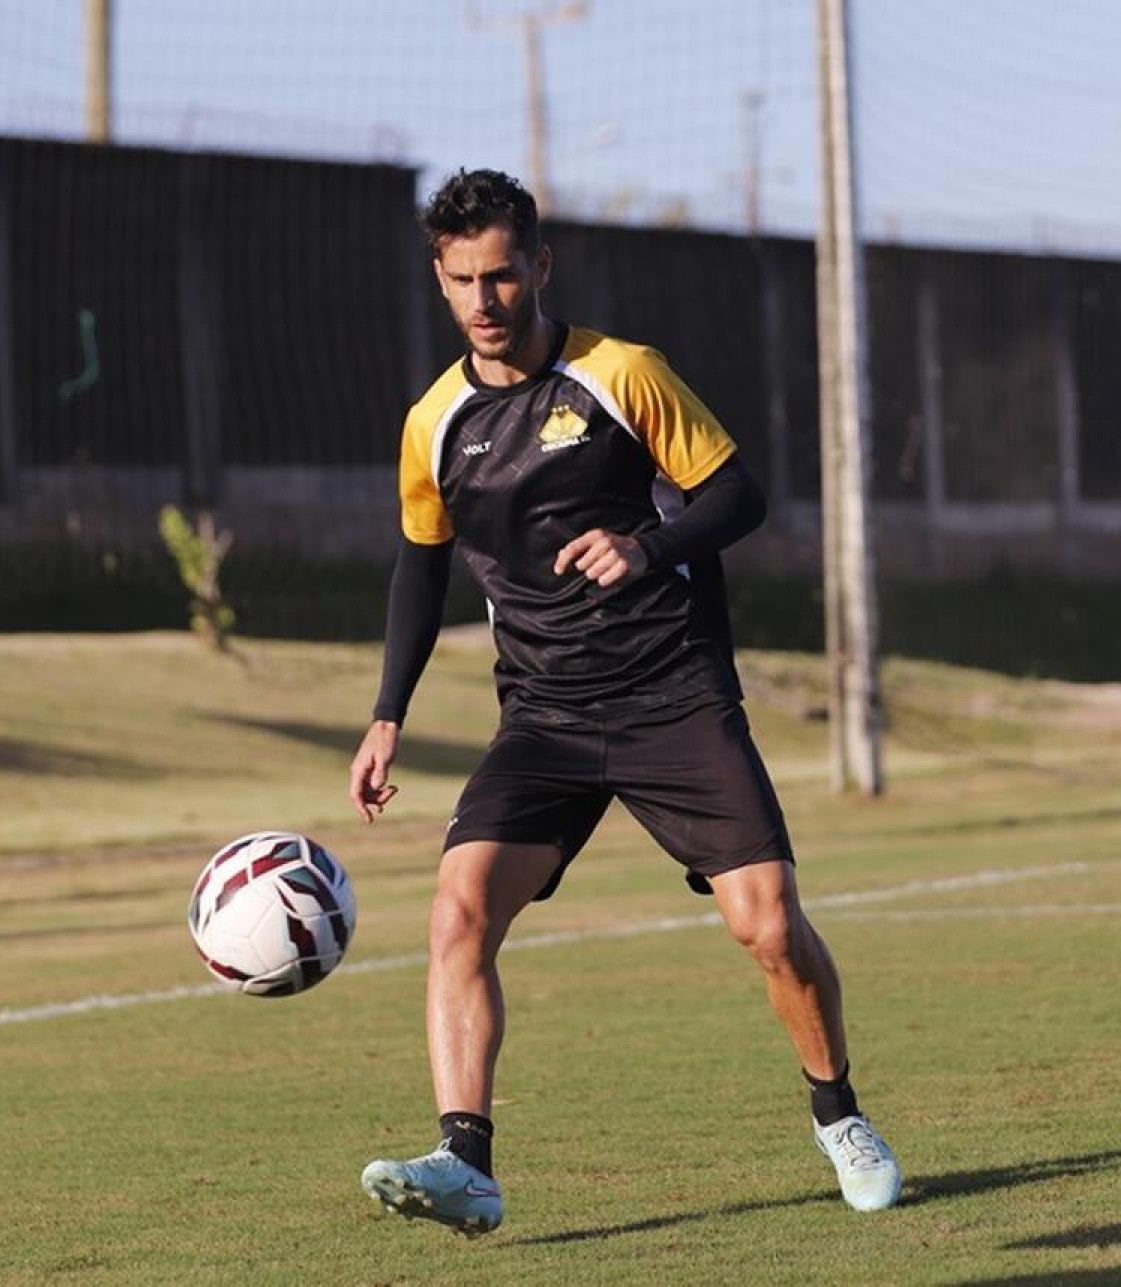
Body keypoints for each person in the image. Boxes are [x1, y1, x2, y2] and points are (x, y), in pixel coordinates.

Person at [348, 168, 900, 1237]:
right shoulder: (434, 423)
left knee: (770, 927)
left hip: (673, 698)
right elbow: (420, 569)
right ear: (439, 278)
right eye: (462, 280)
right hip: (545, 719)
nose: (484, 301)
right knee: (459, 910)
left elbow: (739, 494)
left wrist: (645, 546)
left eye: (502, 276)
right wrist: (387, 713)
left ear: (539, 267)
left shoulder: (622, 375)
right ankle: (467, 1159)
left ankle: (840, 1115)